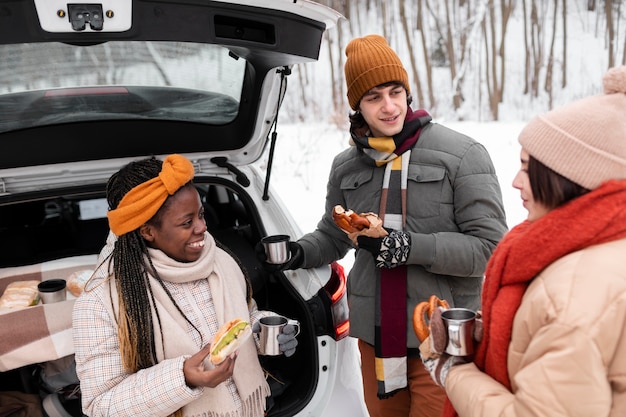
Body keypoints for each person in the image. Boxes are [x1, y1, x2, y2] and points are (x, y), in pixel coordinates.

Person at [257, 34, 508, 417]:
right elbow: (334, 233)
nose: (389, 106)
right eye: (374, 97)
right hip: (375, 339)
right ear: (357, 106)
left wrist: (408, 247)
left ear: (408, 92)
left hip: (440, 338)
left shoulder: (462, 155)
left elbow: (489, 250)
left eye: (395, 92)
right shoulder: (347, 166)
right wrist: (298, 252)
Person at [420, 65, 626, 417]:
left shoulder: (570, 298)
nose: (515, 181)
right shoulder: (596, 247)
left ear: (568, 177)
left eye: (528, 168)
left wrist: (453, 370)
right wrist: (505, 327)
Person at [72, 154, 298, 417]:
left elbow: (243, 319)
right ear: (147, 231)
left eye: (201, 214)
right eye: (186, 222)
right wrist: (182, 379)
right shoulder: (100, 303)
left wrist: (262, 330)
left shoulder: (221, 261)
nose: (203, 227)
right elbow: (99, 406)